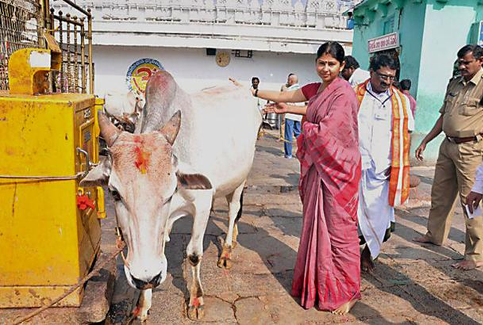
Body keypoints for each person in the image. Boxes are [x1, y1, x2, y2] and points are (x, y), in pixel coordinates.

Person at [255, 42, 361, 315]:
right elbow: (291, 97)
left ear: (341, 67)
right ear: (316, 63)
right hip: (319, 171)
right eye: (321, 63)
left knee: (340, 233)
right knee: (315, 228)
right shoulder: (318, 89)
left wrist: (305, 126)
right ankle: (317, 284)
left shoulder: (344, 94)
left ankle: (349, 292)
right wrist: (253, 91)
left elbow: (327, 131)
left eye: (331, 64)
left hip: (338, 172)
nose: (325, 69)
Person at [414, 44, 483, 270]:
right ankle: (434, 235)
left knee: (471, 202)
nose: (461, 66)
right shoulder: (454, 83)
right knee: (440, 194)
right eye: (460, 62)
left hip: (471, 150)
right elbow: (444, 117)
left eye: (466, 62)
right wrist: (426, 140)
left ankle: (474, 255)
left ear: (480, 61)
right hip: (447, 146)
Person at [354, 53, 414, 272]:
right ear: (371, 72)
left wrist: (400, 164)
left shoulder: (400, 100)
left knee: (381, 220)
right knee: (352, 218)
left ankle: (369, 255)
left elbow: (407, 134)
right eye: (382, 76)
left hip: (385, 170)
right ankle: (349, 256)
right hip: (356, 168)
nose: (387, 82)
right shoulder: (354, 95)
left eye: (391, 77)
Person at [283, 73, 303, 158]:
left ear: (291, 81)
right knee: (298, 134)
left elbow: (284, 102)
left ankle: (288, 154)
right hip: (298, 115)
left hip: (290, 115)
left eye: (288, 80)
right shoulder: (301, 90)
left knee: (288, 135)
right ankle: (302, 152)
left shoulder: (289, 90)